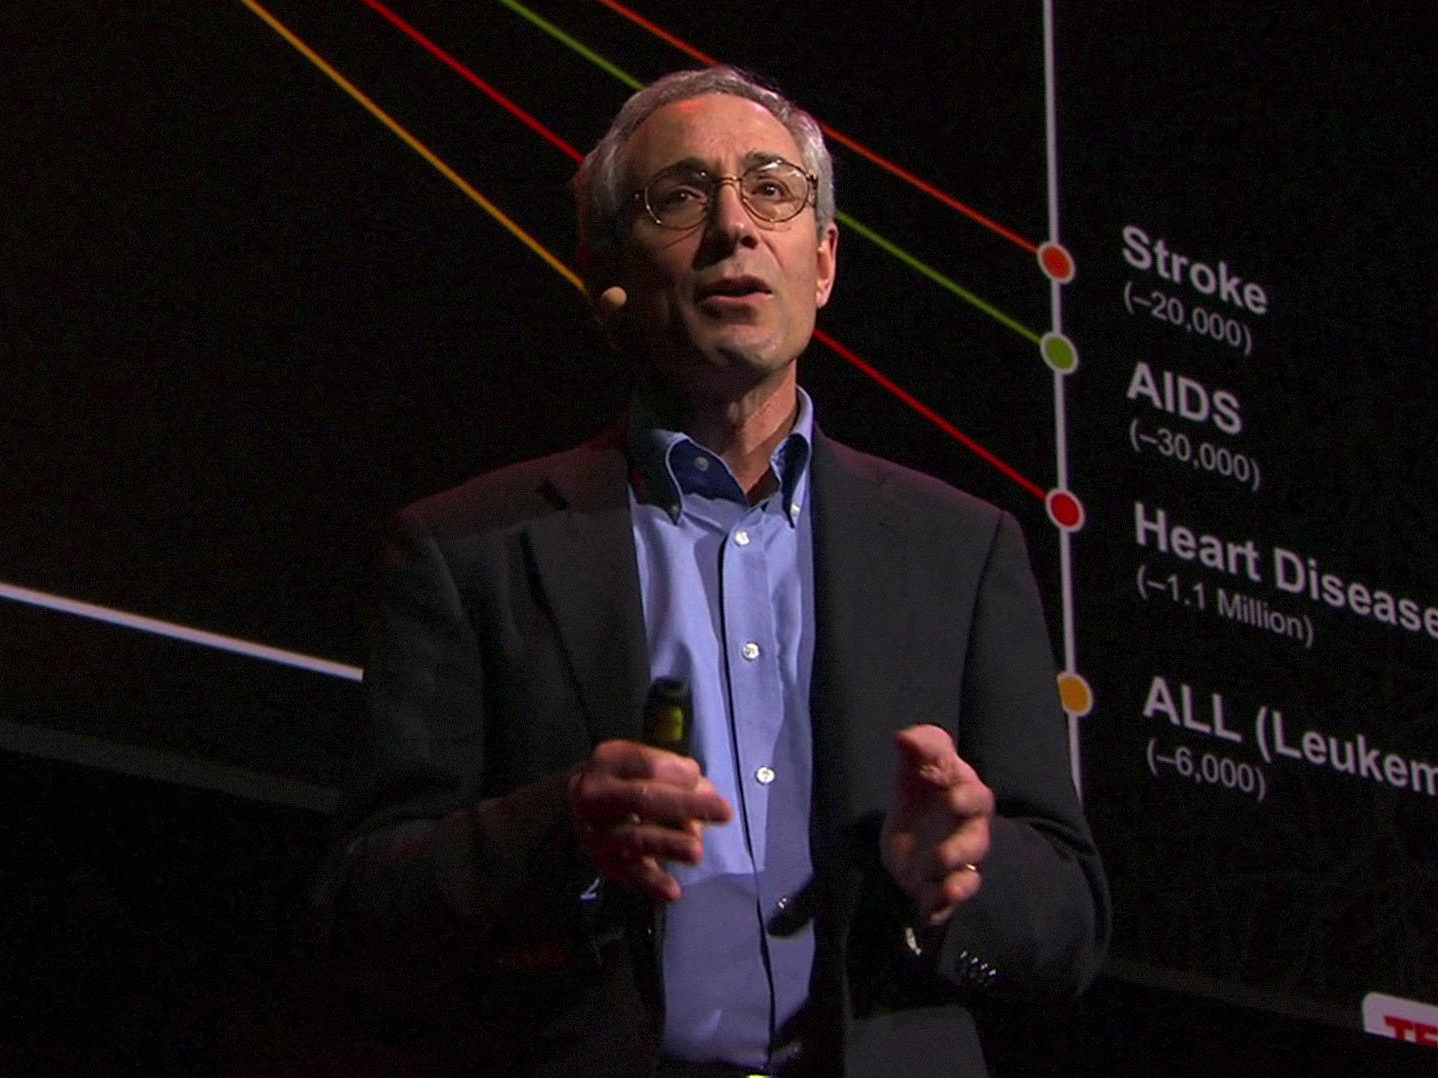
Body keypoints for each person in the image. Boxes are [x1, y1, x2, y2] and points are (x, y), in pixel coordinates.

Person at [321, 67, 1108, 1078]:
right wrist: (560, 829)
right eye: (681, 196)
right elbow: (363, 907)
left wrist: (963, 870)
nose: (733, 225)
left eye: (772, 189)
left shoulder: (962, 549)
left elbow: (1072, 917)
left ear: (822, 263)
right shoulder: (470, 547)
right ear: (604, 265)